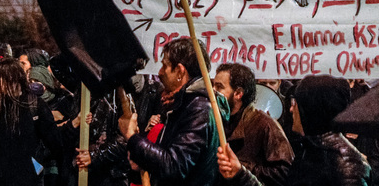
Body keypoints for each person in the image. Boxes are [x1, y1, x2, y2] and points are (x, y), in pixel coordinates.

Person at [118, 37, 223, 186]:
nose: (160, 72)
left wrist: (132, 137)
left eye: (165, 66)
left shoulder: (198, 108)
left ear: (180, 71)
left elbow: (174, 166)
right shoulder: (185, 104)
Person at [0, 58, 65, 186]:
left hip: (30, 176)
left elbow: (54, 141)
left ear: (10, 79)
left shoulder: (34, 104)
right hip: (2, 177)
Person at [212, 62, 292, 185]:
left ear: (238, 93)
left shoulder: (265, 124)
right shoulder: (214, 121)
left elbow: (284, 173)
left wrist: (243, 168)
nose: (213, 91)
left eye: (219, 87)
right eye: (213, 86)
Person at [285, 74, 369, 186]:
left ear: (312, 109)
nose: (291, 109)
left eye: (296, 103)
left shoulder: (346, 166)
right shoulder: (313, 147)